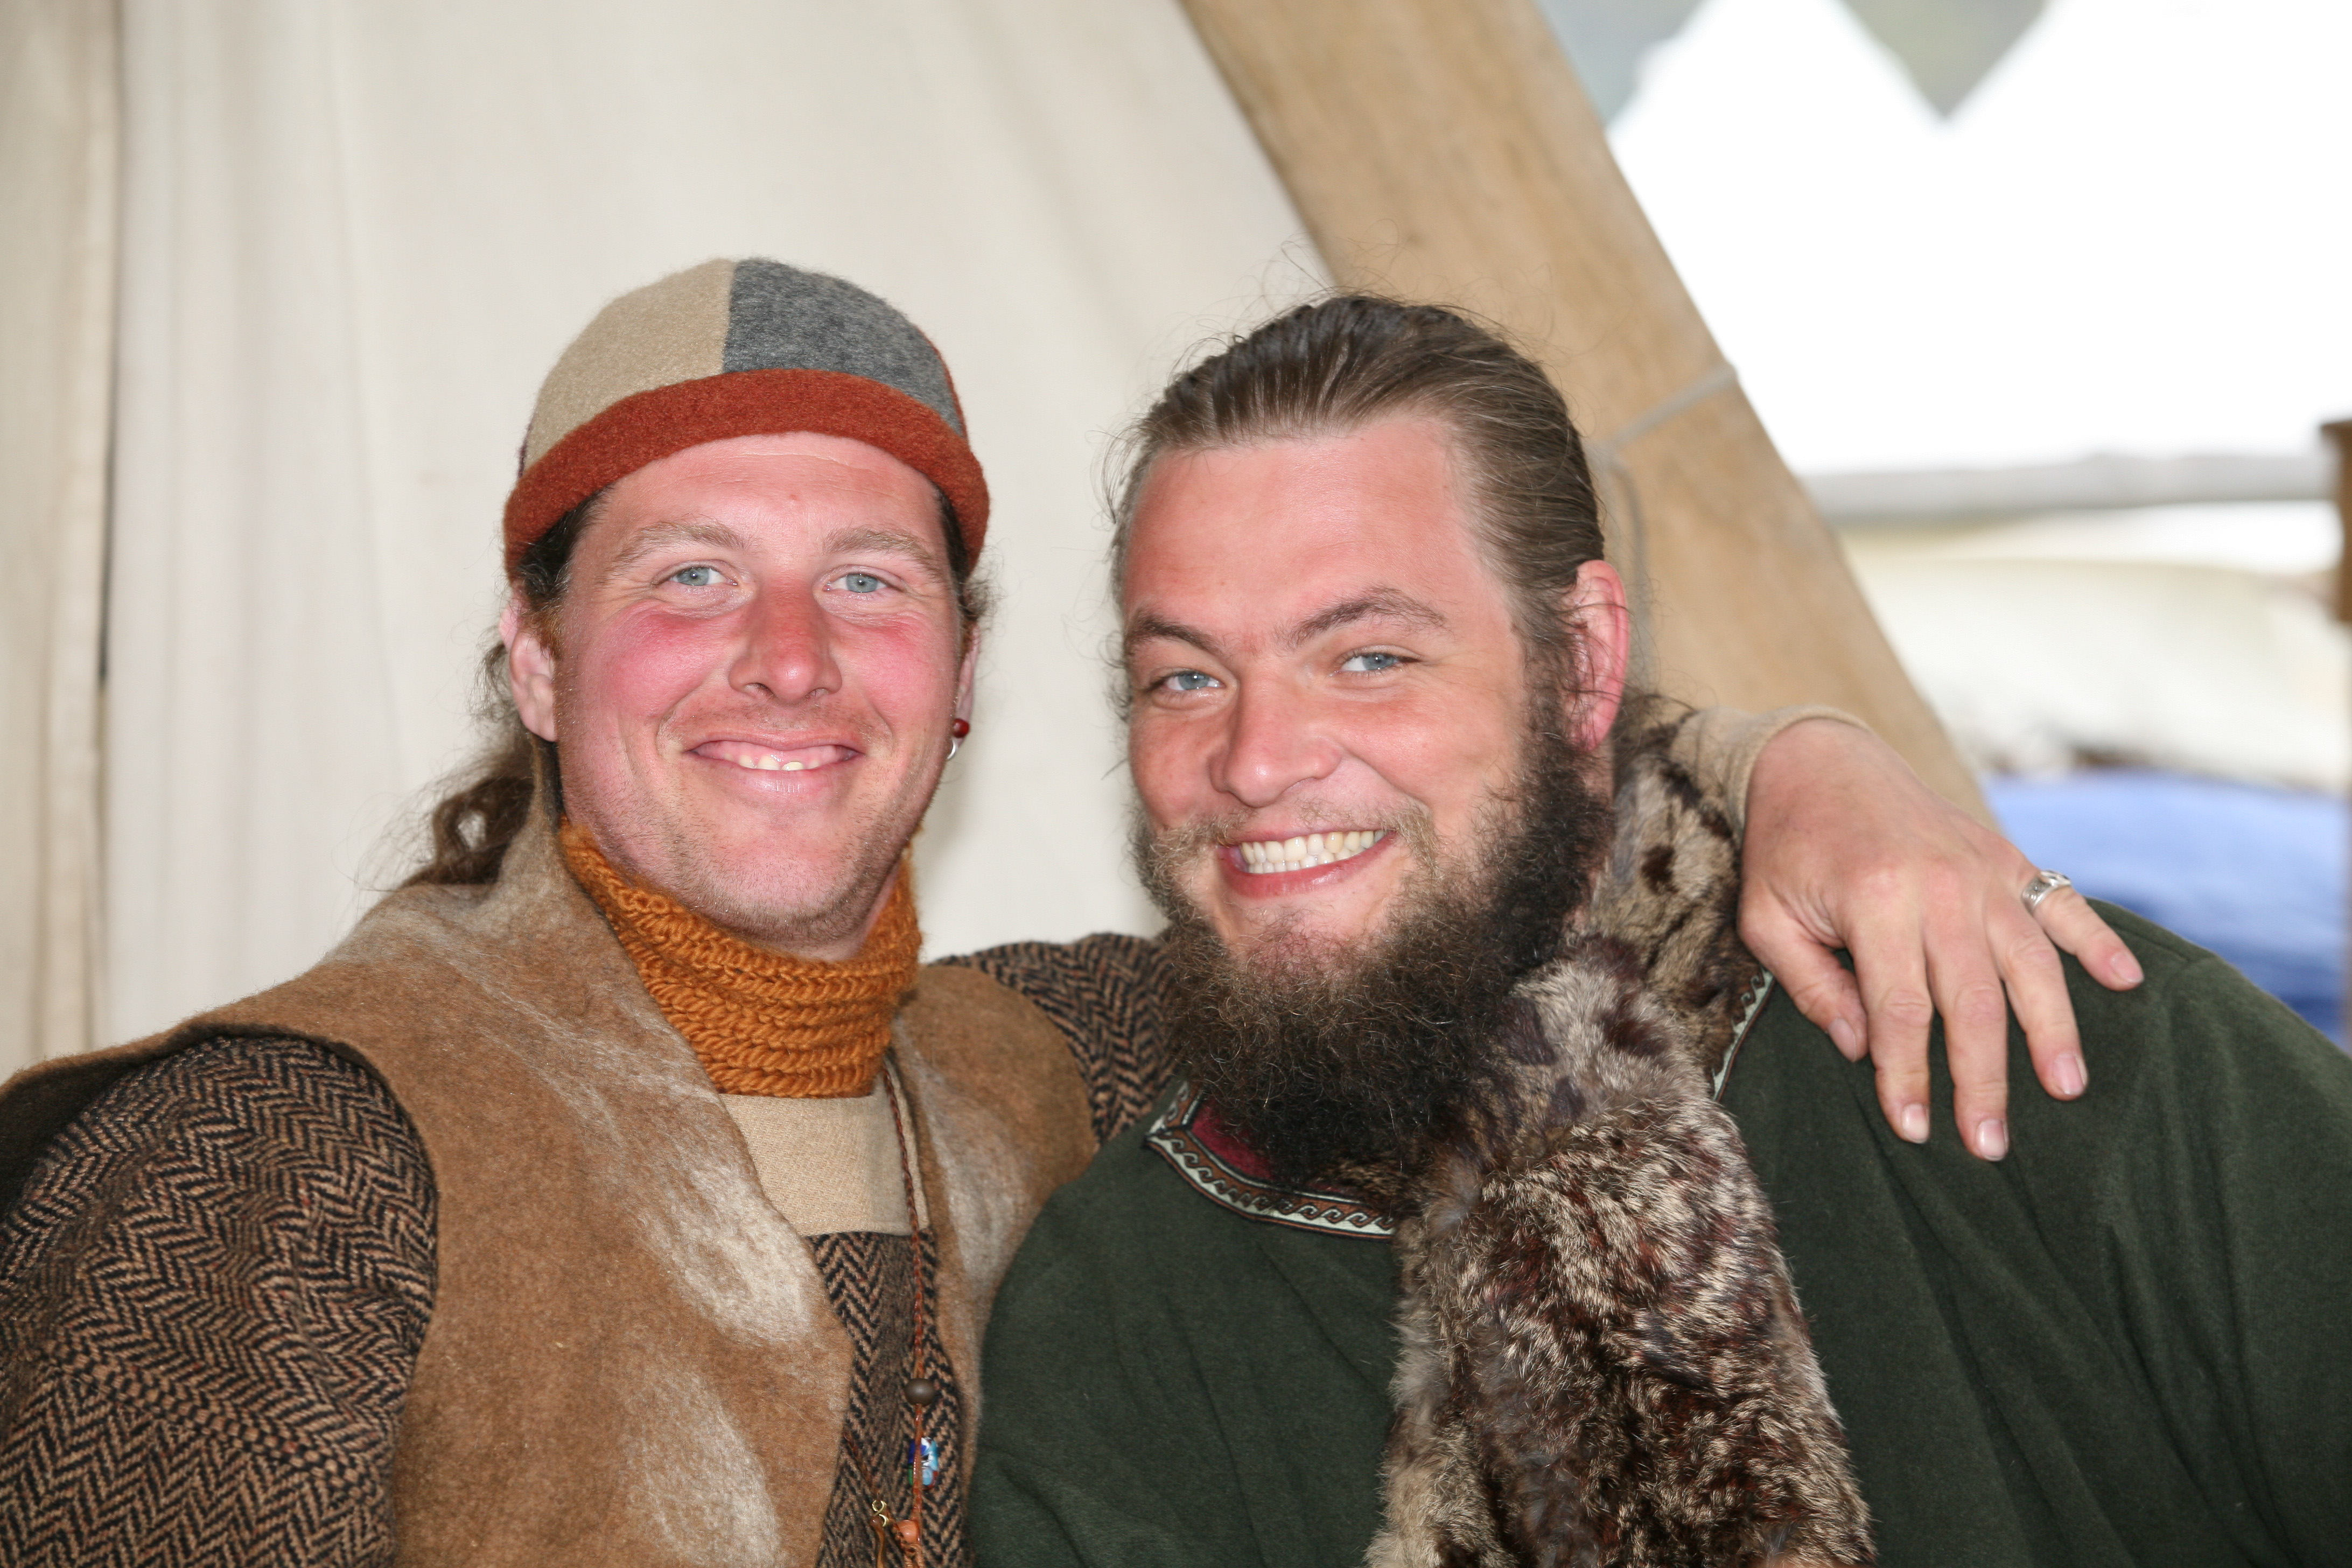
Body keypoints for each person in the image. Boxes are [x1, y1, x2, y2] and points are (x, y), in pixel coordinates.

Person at [0, 262, 2129, 1568]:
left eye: (866, 578)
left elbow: (1417, 844)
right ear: (539, 662)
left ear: (959, 675)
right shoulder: (274, 1154)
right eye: (686, 574)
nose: (787, 657)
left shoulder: (1054, 1057)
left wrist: (1798, 768)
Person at [971, 297, 2352, 1567]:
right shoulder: (1117, 1318)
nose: (1256, 759)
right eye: (1185, 677)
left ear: (1582, 661)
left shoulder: (2022, 1035)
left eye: (1370, 657)